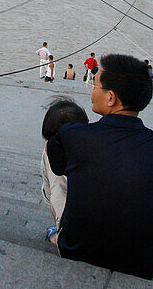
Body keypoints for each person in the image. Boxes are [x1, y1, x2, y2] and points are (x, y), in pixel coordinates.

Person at [47, 53, 153, 281]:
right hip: (143, 267)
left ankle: (59, 230)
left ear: (111, 98)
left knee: (51, 153)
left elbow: (58, 168)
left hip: (73, 251)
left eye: (95, 84)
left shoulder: (72, 136)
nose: (91, 89)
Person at [41, 98, 89, 244]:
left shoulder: (50, 155)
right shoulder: (98, 150)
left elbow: (55, 199)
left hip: (77, 242)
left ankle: (57, 236)